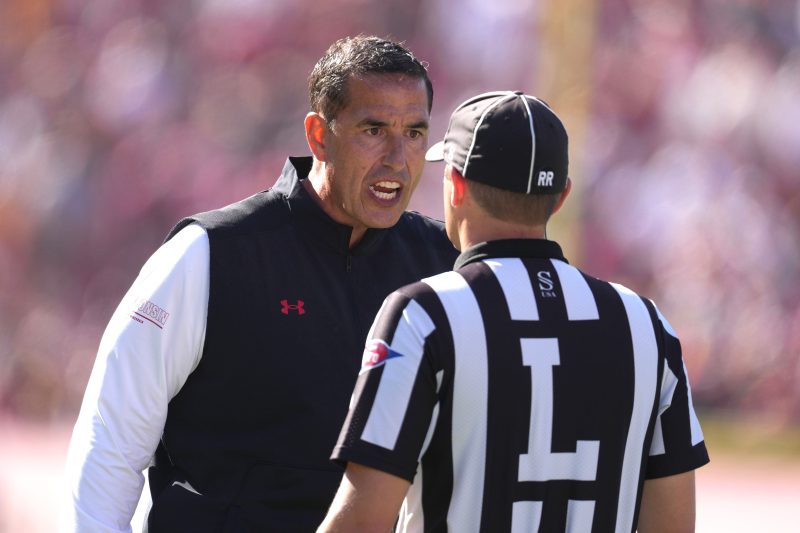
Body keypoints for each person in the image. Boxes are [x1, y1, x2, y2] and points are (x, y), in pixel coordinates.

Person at [62, 35, 458, 533]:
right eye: (374, 130)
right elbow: (111, 440)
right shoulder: (210, 253)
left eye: (415, 133)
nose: (398, 158)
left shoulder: (445, 263)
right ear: (319, 135)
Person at [318, 91, 710, 533]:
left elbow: (362, 522)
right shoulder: (646, 325)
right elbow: (674, 525)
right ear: (560, 197)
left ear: (455, 184)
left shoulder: (422, 315)